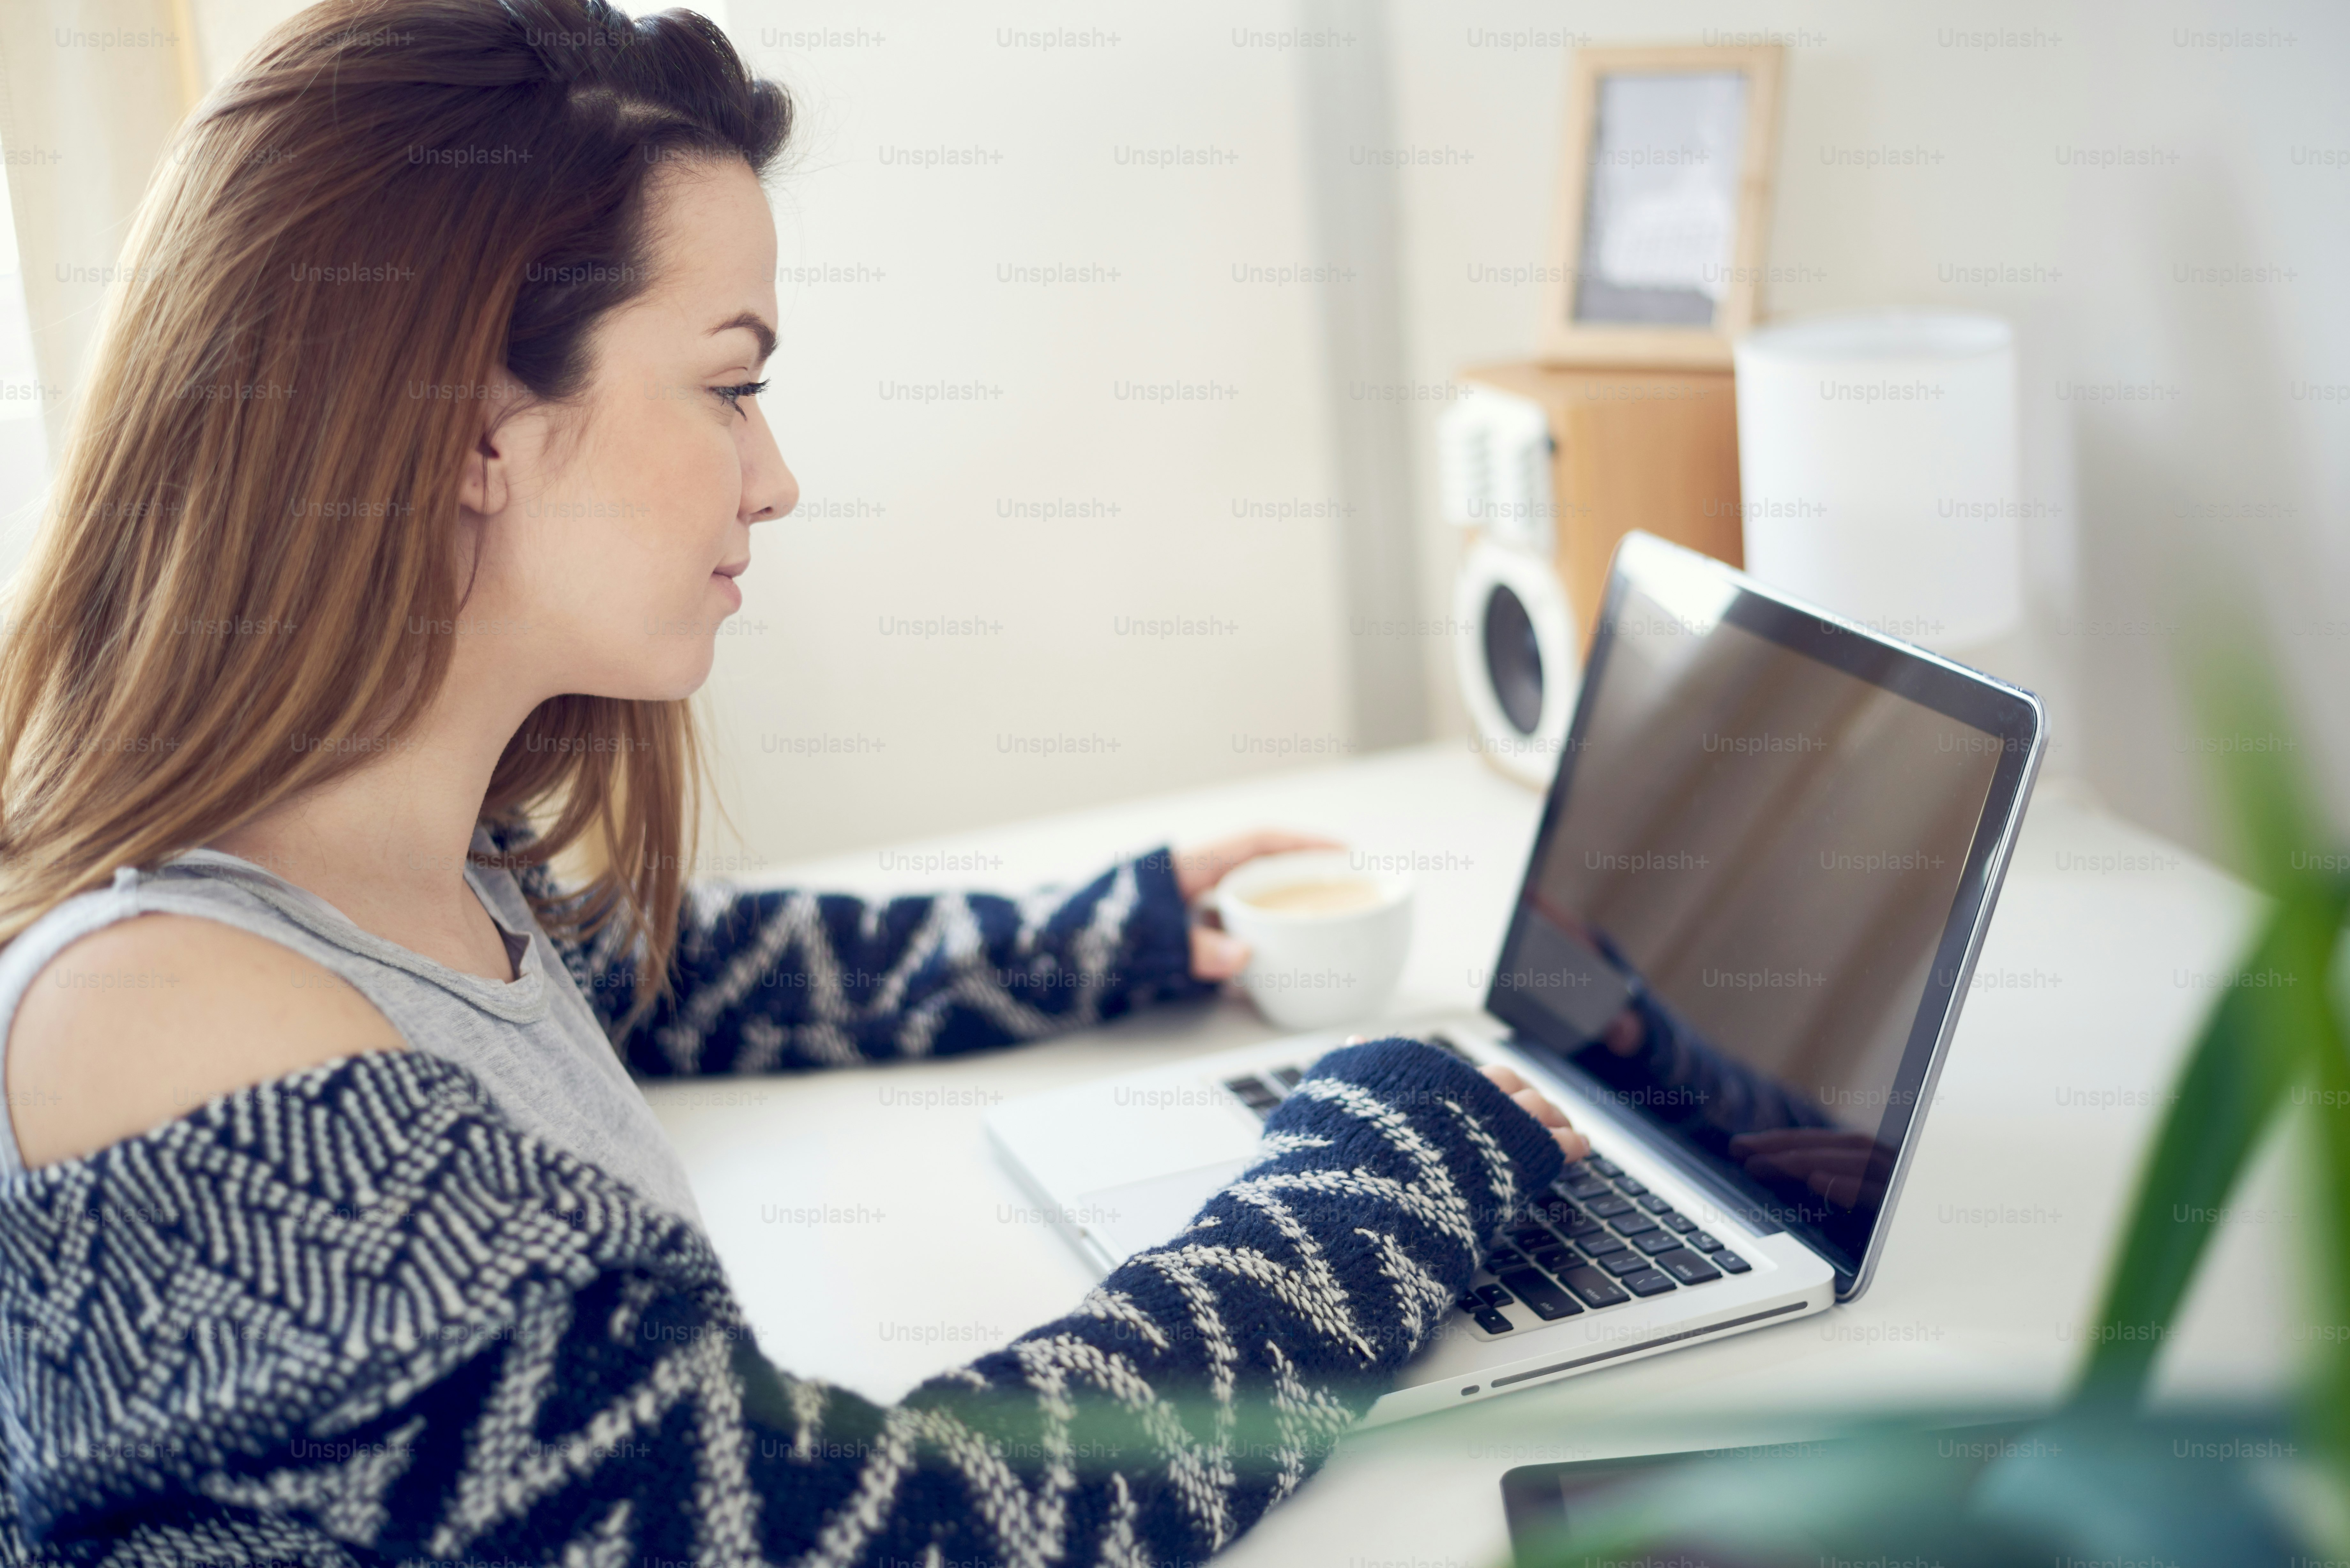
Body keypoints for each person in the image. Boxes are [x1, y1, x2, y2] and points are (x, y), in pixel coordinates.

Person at [0, 3, 1586, 1563]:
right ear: (475, 423)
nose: (775, 477)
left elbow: (653, 971)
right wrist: (1382, 1176)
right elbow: (854, 1537)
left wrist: (1101, 931)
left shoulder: (376, 867)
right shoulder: (163, 1027)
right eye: (730, 385)